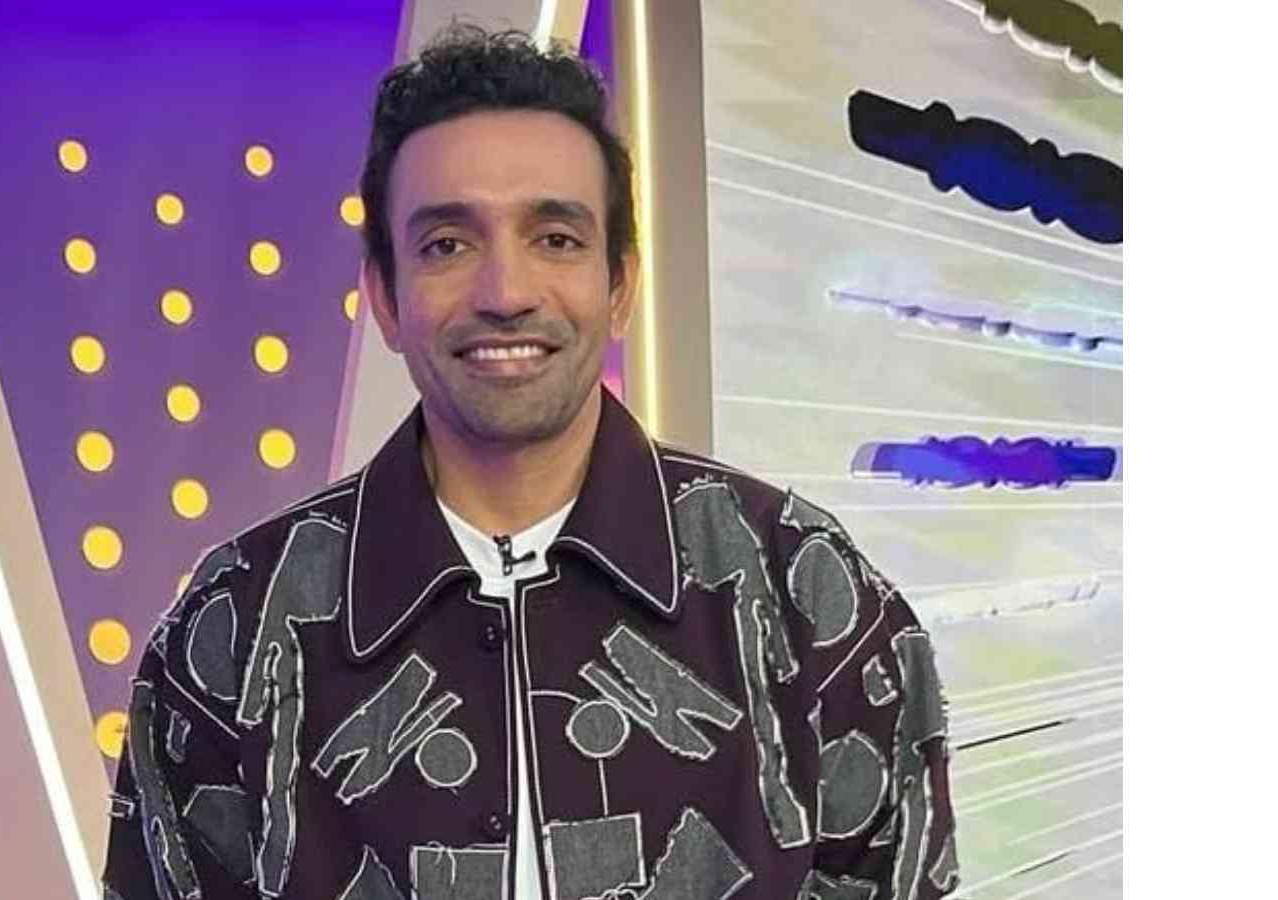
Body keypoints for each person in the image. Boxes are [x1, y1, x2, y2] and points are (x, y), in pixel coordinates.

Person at [103, 24, 957, 900]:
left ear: (620, 284)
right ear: (384, 297)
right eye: (447, 244)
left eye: (555, 238)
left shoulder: (807, 593)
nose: (506, 293)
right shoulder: (235, 628)